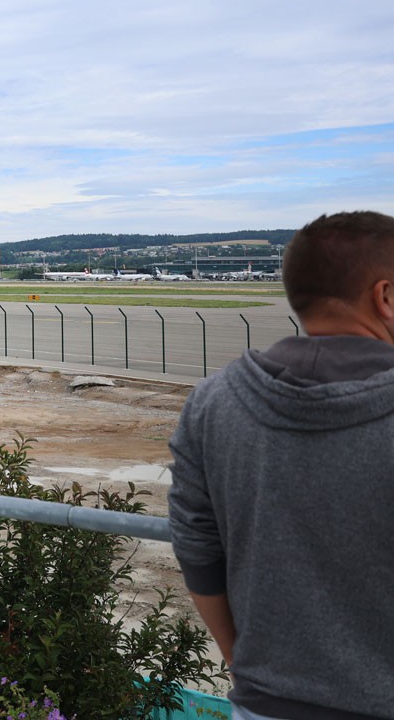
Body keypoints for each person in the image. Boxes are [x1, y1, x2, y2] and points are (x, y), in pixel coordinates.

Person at [168, 211, 394, 720]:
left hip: (264, 701)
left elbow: (196, 547)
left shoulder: (212, 401)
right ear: (385, 297)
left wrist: (240, 661)